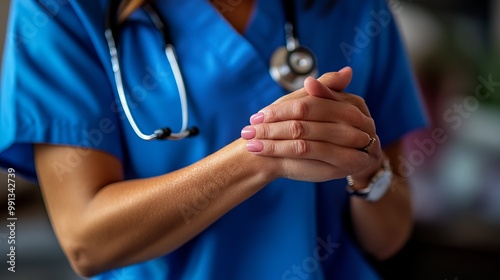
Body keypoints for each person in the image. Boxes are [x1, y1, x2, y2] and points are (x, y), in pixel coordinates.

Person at [0, 0, 427, 279]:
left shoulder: (357, 9)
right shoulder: (59, 10)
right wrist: (259, 156)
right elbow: (86, 241)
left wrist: (367, 171)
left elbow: (389, 236)